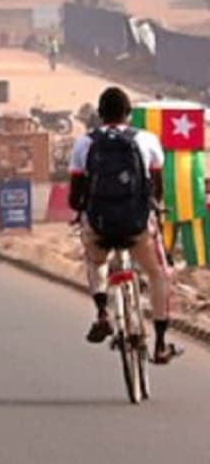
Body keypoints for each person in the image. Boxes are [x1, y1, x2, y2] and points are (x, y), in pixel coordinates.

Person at [68, 87, 180, 364]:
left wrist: (83, 211)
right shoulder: (146, 140)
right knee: (158, 273)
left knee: (95, 262)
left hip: (99, 225)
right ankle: (161, 342)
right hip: (137, 225)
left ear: (99, 115)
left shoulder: (84, 144)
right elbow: (156, 190)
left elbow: (74, 196)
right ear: (128, 115)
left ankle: (102, 312)